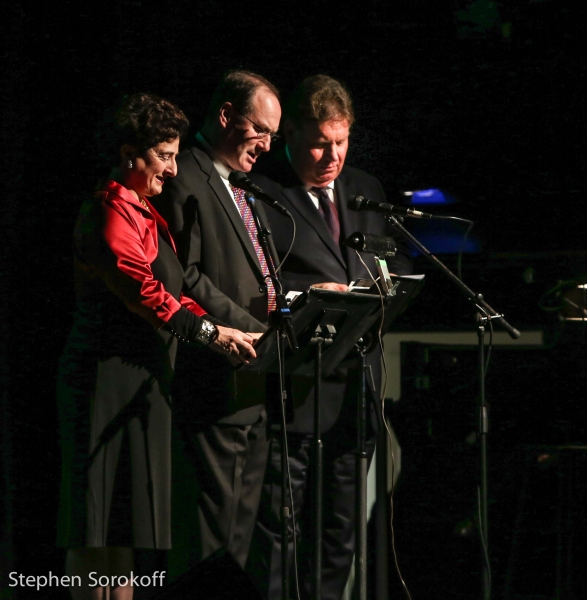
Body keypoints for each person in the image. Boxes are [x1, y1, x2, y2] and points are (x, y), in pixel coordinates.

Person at [56, 93, 256, 600]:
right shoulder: (109, 209)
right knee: (97, 528)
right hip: (105, 384)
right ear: (131, 154)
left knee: (125, 530)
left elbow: (176, 290)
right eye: (164, 155)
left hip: (143, 383)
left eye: (174, 155)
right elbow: (146, 294)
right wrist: (212, 334)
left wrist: (226, 328)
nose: (172, 168)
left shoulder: (143, 211)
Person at [245, 74, 413, 599]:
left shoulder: (364, 188)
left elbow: (389, 254)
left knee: (341, 534)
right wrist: (314, 290)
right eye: (320, 143)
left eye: (340, 142)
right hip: (295, 388)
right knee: (282, 535)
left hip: (355, 389)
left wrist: (389, 283)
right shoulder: (262, 189)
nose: (331, 156)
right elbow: (253, 279)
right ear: (289, 133)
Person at [151, 70, 281, 572]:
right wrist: (249, 326)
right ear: (226, 115)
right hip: (211, 377)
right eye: (261, 130)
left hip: (252, 384)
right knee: (211, 539)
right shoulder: (184, 174)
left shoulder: (246, 186)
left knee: (243, 539)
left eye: (273, 133)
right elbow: (181, 275)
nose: (268, 145)